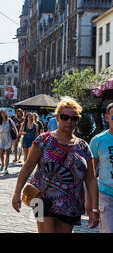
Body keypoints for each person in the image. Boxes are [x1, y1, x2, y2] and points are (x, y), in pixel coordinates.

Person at [12, 97, 99, 233]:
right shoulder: (43, 140)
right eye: (65, 117)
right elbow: (27, 167)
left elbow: (91, 179)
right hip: (41, 199)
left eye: (74, 118)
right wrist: (17, 193)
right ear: (57, 118)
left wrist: (94, 208)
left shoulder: (83, 146)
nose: (69, 121)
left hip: (71, 204)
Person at [88, 103, 113, 233]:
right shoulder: (98, 141)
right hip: (106, 195)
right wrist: (91, 202)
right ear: (107, 117)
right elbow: (91, 175)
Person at [0, 109, 18, 175]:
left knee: (7, 153)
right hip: (2, 137)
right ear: (1, 114)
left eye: (4, 113)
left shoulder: (10, 120)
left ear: (6, 113)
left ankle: (6, 168)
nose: (4, 114)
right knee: (1, 153)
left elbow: (14, 128)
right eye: (2, 113)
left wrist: (16, 136)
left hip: (8, 137)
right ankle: (3, 163)